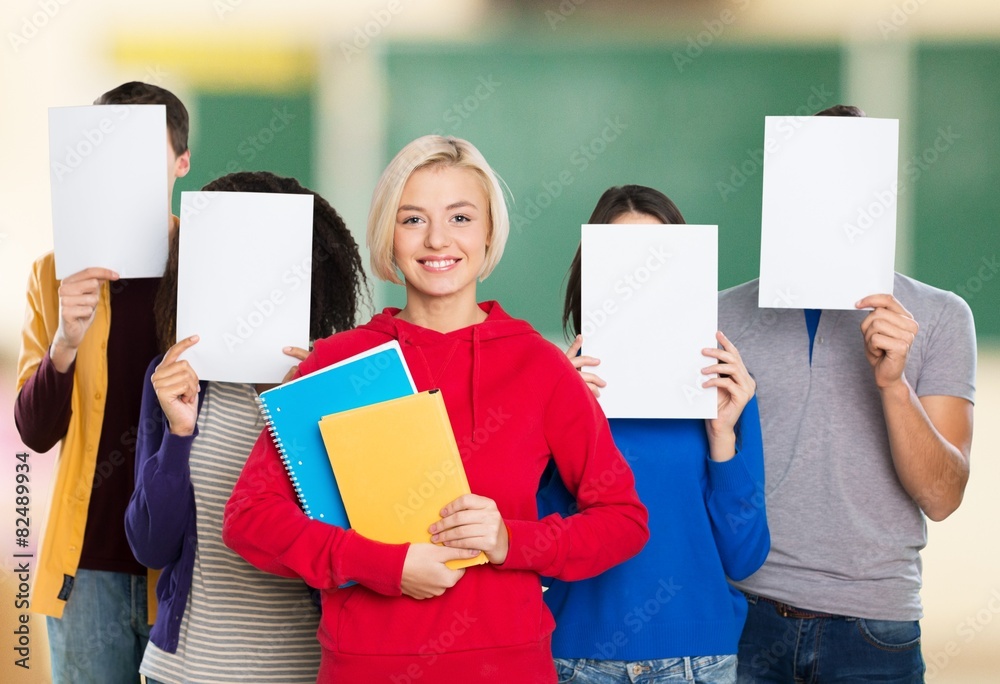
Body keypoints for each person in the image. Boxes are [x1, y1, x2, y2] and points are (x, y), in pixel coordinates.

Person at [222, 135, 650, 683]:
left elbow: (623, 521)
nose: (438, 240)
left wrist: (510, 541)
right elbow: (250, 520)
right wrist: (385, 566)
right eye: (413, 219)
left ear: (490, 231)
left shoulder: (540, 368)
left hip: (508, 666)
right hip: (366, 668)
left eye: (461, 217)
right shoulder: (338, 363)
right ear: (389, 235)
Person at [723, 105, 976, 682]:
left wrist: (893, 385)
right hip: (743, 617)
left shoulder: (939, 317)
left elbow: (943, 495)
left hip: (873, 629)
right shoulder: (720, 315)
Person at [124, 171, 369, 684]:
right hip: (184, 670)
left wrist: (296, 406)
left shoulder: (332, 384)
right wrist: (178, 432)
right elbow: (150, 545)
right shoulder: (172, 380)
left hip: (302, 669)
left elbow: (355, 546)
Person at [537, 185, 769, 684]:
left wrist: (724, 441)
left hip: (697, 661)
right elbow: (537, 551)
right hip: (577, 659)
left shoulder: (724, 392)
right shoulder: (554, 391)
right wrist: (560, 424)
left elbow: (745, 556)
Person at [14, 81, 190, 683]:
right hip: (86, 565)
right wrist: (66, 338)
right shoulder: (55, 271)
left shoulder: (211, 263)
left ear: (181, 162)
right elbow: (35, 434)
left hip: (190, 561)